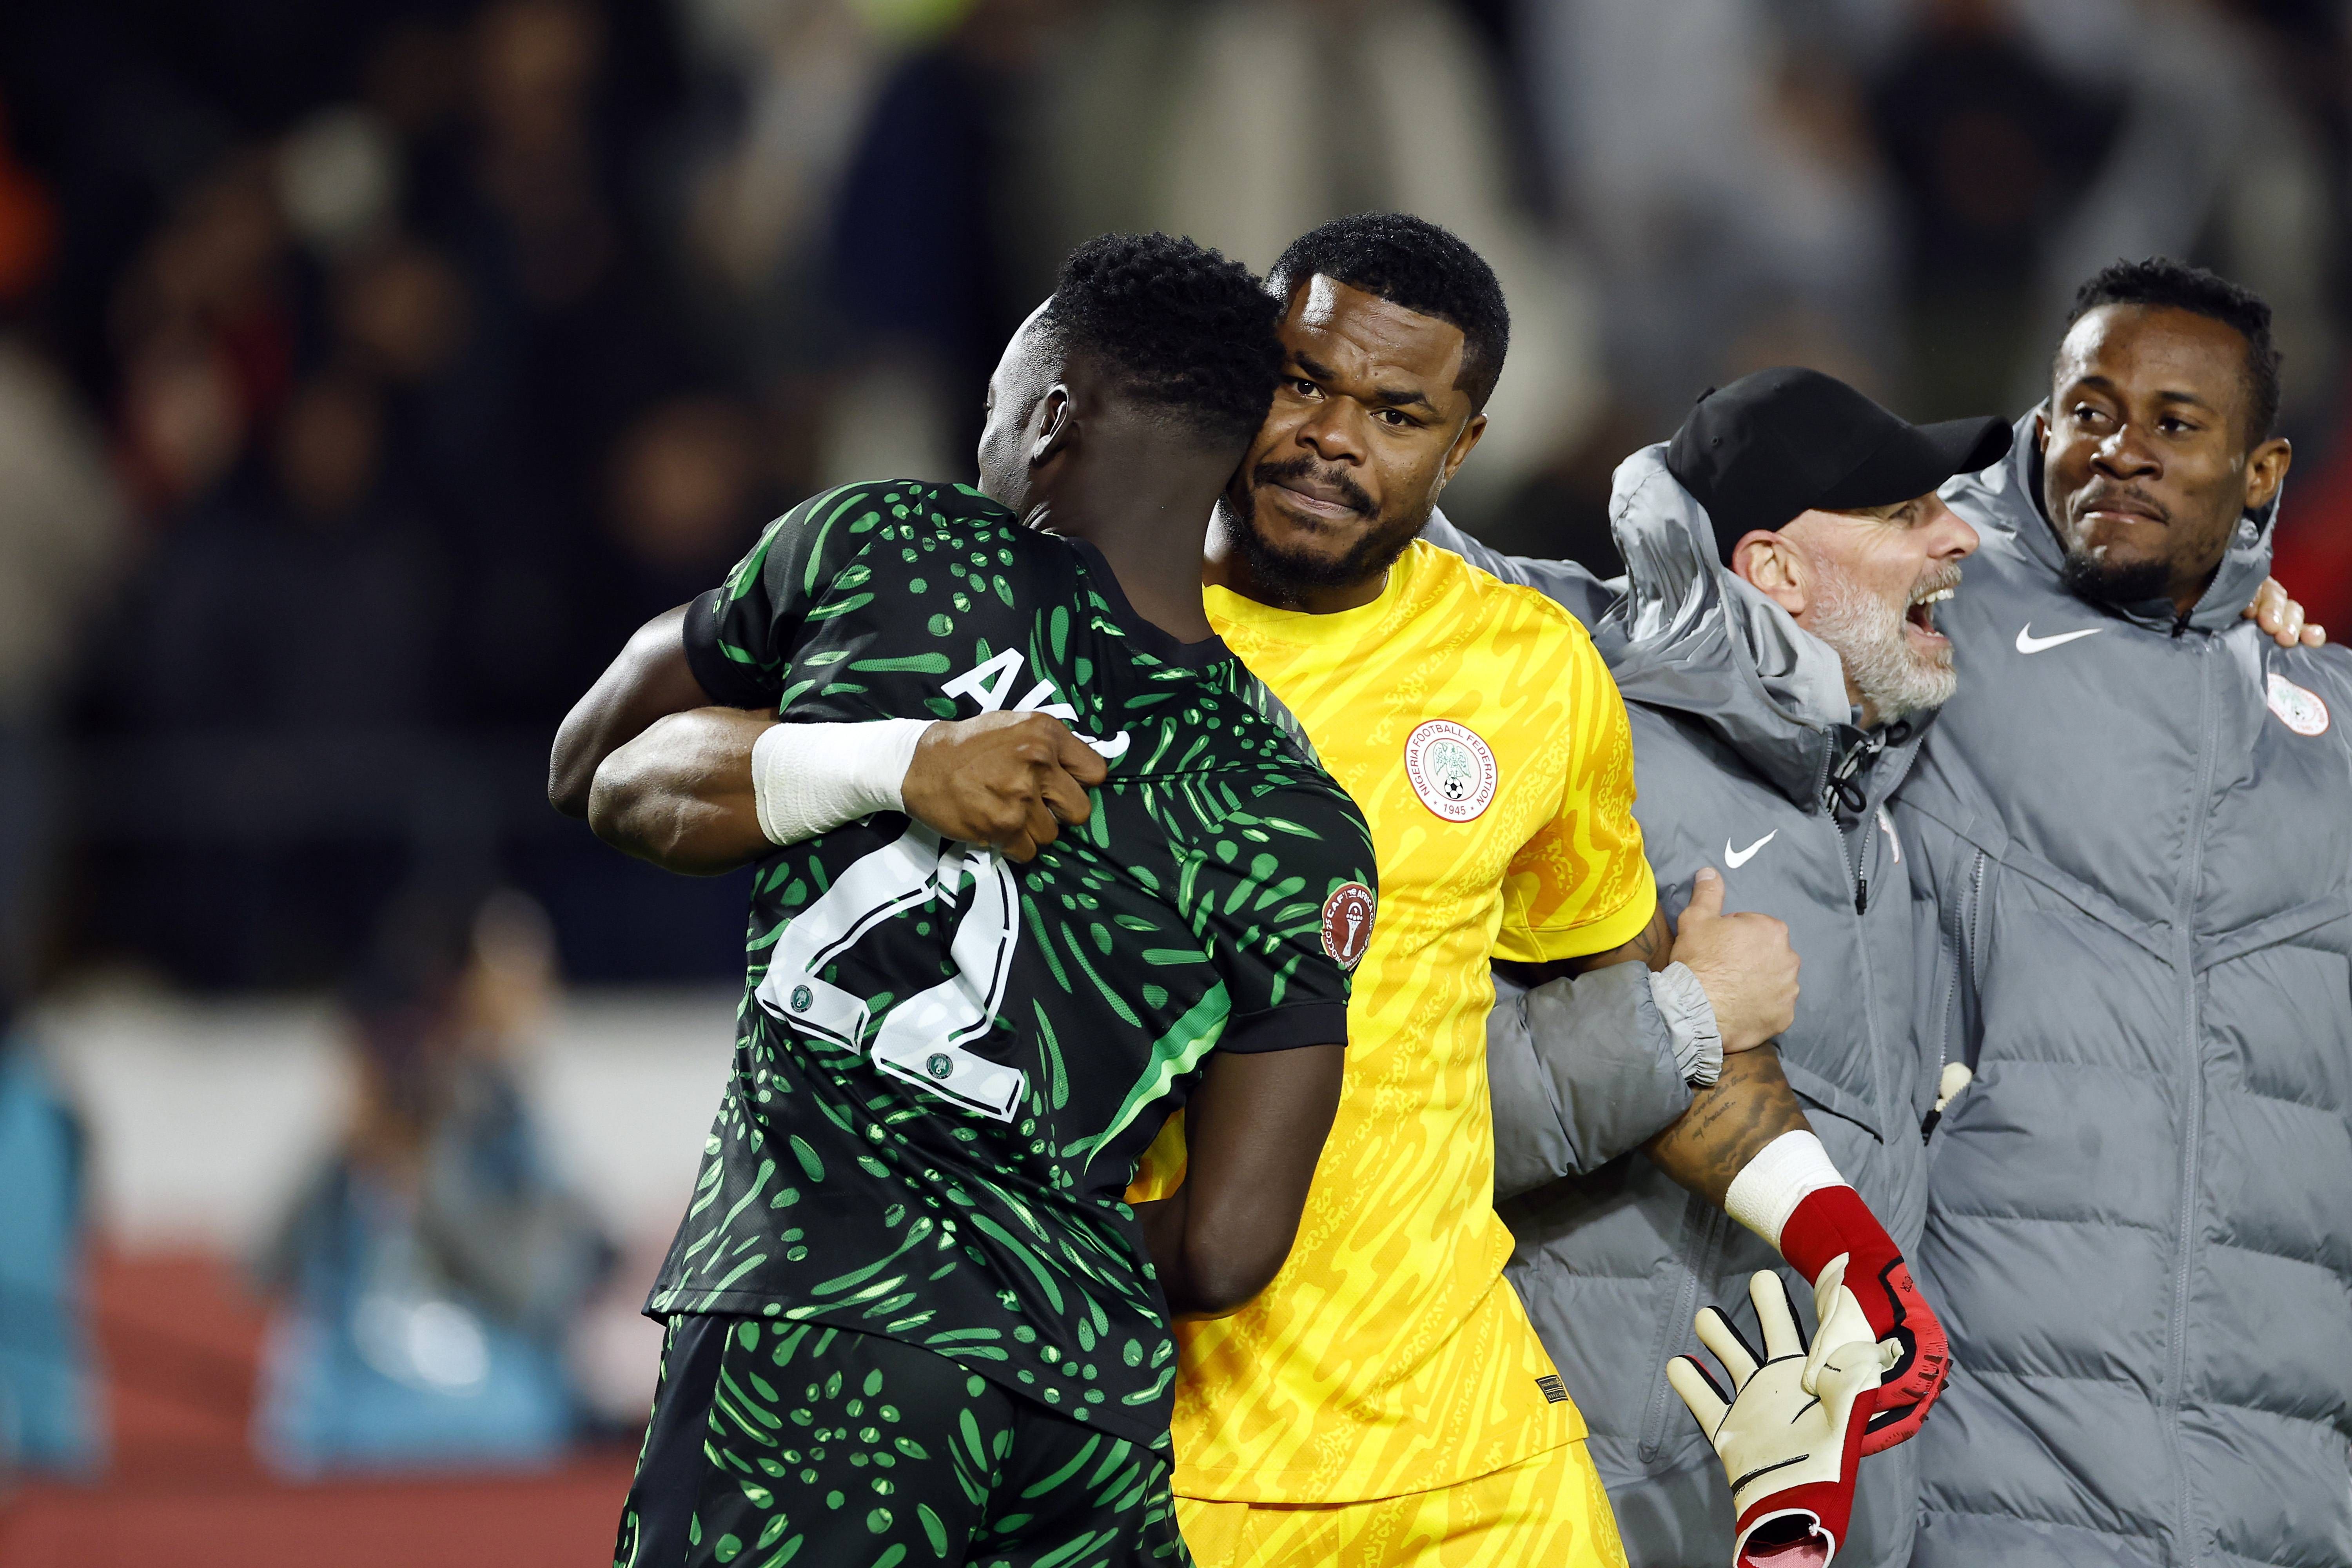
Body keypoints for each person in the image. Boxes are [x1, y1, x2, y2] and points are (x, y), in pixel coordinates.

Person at [552, 233, 1378, 1568]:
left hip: (817, 1330)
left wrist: (892, 759)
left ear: (1051, 417)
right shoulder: (1294, 807)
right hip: (1087, 1415)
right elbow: (1228, 1248)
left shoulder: (896, 551)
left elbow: (596, 763)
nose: (981, 433)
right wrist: (1035, 1231)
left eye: (997, 399)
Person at [1129, 214, 1806, 1568]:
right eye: (1303, 381)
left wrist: (1840, 1244)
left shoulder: (1529, 670)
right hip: (1171, 1448)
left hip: (1476, 1454)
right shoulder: (1098, 622)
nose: (1332, 435)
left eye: (1394, 411)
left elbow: (1611, 1003)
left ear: (1462, 447)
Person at [1423, 367, 2001, 1568]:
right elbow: (1417, 1114)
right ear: (1775, 572)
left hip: (1801, 1516)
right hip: (1588, 1507)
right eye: (1904, 517)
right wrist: (1680, 1016)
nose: (1959, 535)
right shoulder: (1598, 746)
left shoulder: (1879, 798)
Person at [1898, 259, 2352, 1566]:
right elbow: (1695, 569)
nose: (2120, 453)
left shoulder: (2322, 726)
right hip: (1992, 1475)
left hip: (2272, 1496)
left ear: (2261, 472)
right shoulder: (1933, 619)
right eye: (2088, 412)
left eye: (2173, 423)